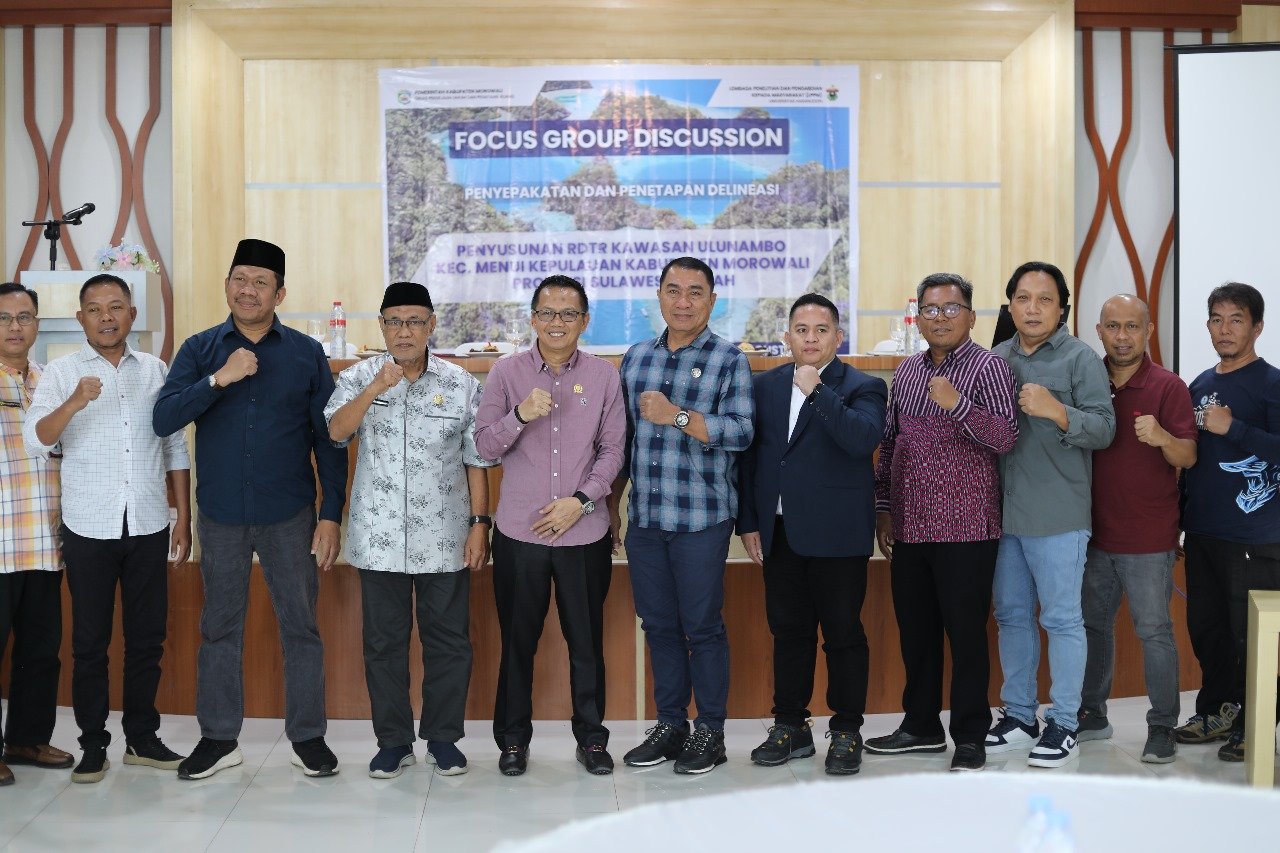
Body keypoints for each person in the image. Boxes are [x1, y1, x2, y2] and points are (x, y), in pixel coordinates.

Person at [153, 239, 348, 779]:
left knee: (301, 626)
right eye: (239, 279)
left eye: (261, 282)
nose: (248, 290)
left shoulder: (306, 353)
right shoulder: (200, 349)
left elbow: (329, 438)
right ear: (226, 286)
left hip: (290, 514)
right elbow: (164, 419)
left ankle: (308, 738)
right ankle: (219, 739)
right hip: (221, 514)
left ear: (279, 294)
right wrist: (219, 379)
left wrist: (331, 512)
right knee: (219, 627)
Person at [24, 273, 191, 784]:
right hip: (87, 526)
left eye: (115, 307)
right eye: (94, 309)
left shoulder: (156, 371)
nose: (106, 317)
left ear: (131, 314)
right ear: (81, 319)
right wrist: (74, 401)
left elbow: (174, 445)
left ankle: (142, 738)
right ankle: (93, 744)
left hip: (147, 521)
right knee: (89, 644)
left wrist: (183, 517)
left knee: (147, 639)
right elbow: (38, 439)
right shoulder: (61, 372)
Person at [325, 280, 493, 779]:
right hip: (378, 538)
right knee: (383, 645)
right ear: (381, 326)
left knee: (449, 642)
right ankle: (393, 742)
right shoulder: (359, 378)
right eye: (395, 322)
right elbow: (335, 432)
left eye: (415, 321)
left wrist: (479, 524)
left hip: (444, 537)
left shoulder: (461, 383)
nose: (404, 331)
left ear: (431, 325)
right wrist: (375, 389)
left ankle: (443, 739)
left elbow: (476, 459)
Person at [474, 275, 625, 777]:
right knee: (518, 642)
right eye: (547, 313)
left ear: (585, 321)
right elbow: (484, 446)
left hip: (583, 532)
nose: (557, 322)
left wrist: (580, 502)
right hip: (520, 534)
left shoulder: (604, 376)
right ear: (533, 318)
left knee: (586, 643)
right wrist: (520, 414)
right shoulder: (506, 373)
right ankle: (513, 741)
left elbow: (614, 450)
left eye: (568, 313)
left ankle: (592, 740)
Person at [609, 256, 753, 774]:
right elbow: (622, 441)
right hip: (646, 519)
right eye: (674, 291)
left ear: (712, 301)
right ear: (660, 297)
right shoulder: (636, 358)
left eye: (695, 292)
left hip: (701, 519)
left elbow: (741, 432)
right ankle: (671, 725)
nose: (684, 302)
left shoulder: (729, 359)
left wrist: (678, 416)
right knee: (659, 626)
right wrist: (612, 506)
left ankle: (711, 730)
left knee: (702, 627)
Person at [869, 273, 1017, 773]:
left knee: (967, 636)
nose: (940, 318)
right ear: (919, 317)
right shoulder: (907, 372)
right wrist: (884, 509)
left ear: (971, 316)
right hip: (910, 527)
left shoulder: (990, 367)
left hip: (968, 527)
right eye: (930, 309)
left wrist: (959, 405)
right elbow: (891, 444)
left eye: (951, 309)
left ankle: (970, 735)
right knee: (918, 634)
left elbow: (1005, 437)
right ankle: (921, 726)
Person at [737, 292, 885, 776]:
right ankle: (790, 725)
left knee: (843, 635)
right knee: (789, 633)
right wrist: (750, 521)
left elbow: (862, 439)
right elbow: (751, 458)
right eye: (801, 330)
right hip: (780, 533)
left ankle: (846, 730)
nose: (811, 339)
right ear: (787, 337)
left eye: (822, 330)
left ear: (838, 337)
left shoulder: (863, 386)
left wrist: (818, 391)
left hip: (839, 536)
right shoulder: (765, 386)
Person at [985, 261, 1115, 768]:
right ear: (1010, 305)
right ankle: (1019, 716)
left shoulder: (1081, 359)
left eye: (1044, 299)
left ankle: (1064, 723)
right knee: (1011, 616)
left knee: (1061, 619)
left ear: (1062, 308)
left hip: (1058, 514)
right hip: (1002, 515)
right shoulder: (995, 358)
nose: (1033, 308)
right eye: (1023, 298)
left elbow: (1104, 429)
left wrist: (1057, 410)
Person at [1078, 295, 1195, 765]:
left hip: (1149, 537)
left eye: (1131, 326)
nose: (1122, 336)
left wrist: (1163, 437)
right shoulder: (1086, 380)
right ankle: (1092, 714)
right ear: (1099, 331)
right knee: (1093, 627)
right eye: (1112, 326)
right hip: (1091, 535)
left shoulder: (1168, 386)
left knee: (1154, 632)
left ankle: (1163, 726)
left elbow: (1187, 455)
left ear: (1147, 331)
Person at [1179, 283, 1280, 762]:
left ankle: (1255, 724)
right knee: (1208, 632)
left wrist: (1234, 427)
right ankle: (1217, 711)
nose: (1225, 329)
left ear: (1256, 327)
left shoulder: (1272, 384)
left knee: (1251, 639)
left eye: (1236, 319)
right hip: (1203, 534)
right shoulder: (1200, 384)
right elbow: (1191, 460)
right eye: (1217, 319)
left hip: (1254, 538)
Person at [0, 282, 72, 787]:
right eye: (4, 318)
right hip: (0, 541)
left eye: (24, 317)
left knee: (41, 651)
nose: (14, 327)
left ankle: (26, 739)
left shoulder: (50, 383)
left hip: (45, 542)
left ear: (37, 325)